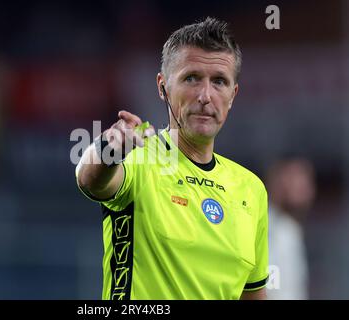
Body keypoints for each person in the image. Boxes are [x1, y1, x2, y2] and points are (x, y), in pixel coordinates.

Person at [75, 17, 268, 300]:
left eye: (219, 82)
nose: (205, 96)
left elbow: (253, 295)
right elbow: (89, 179)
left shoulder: (251, 189)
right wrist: (110, 146)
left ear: (232, 95)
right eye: (191, 78)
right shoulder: (139, 157)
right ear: (163, 87)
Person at [266, 157, 316, 299]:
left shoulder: (289, 229)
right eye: (292, 179)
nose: (302, 188)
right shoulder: (272, 230)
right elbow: (268, 288)